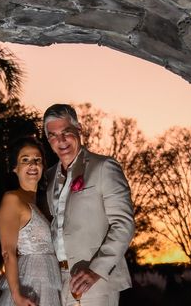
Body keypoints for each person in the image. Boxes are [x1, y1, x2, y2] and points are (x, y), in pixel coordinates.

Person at [43, 104, 135, 306]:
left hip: (94, 283)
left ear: (79, 129)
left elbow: (124, 224)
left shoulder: (104, 167)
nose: (61, 140)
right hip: (58, 284)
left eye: (66, 132)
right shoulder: (49, 178)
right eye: (53, 135)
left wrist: (96, 270)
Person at [0, 137, 62, 306]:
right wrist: (17, 296)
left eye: (37, 160)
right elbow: (7, 252)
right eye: (25, 160)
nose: (32, 164)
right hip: (29, 284)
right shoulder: (12, 199)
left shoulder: (40, 204)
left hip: (49, 283)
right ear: (15, 168)